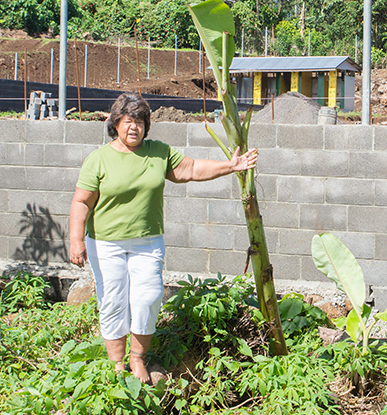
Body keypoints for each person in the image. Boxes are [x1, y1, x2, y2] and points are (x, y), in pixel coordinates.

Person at [69, 92, 257, 384]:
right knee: (113, 300)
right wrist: (76, 240)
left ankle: (137, 358)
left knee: (148, 297)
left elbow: (191, 169)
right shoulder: (99, 160)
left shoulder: (158, 152)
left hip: (147, 242)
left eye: (140, 122)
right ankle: (117, 363)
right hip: (106, 243)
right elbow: (81, 202)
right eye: (128, 121)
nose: (134, 127)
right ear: (116, 123)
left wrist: (230, 166)